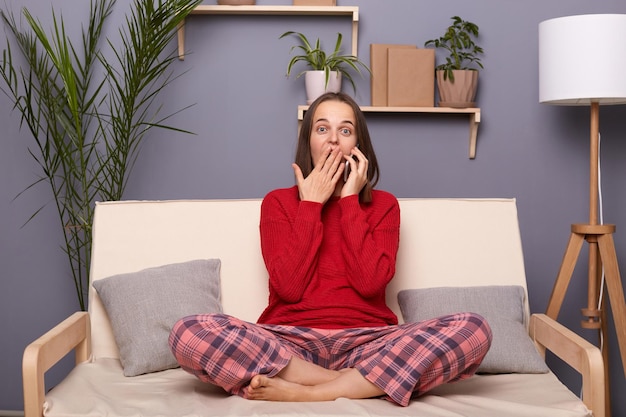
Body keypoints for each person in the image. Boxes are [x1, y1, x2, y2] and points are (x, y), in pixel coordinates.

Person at [168, 92, 492, 407]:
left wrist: (350, 200)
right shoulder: (278, 203)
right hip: (288, 345)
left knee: (474, 329)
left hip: (369, 344)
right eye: (322, 129)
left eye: (345, 130)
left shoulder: (384, 205)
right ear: (308, 142)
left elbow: (370, 284)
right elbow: (289, 288)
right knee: (187, 332)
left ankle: (310, 392)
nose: (334, 139)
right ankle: (354, 383)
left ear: (358, 145)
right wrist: (311, 204)